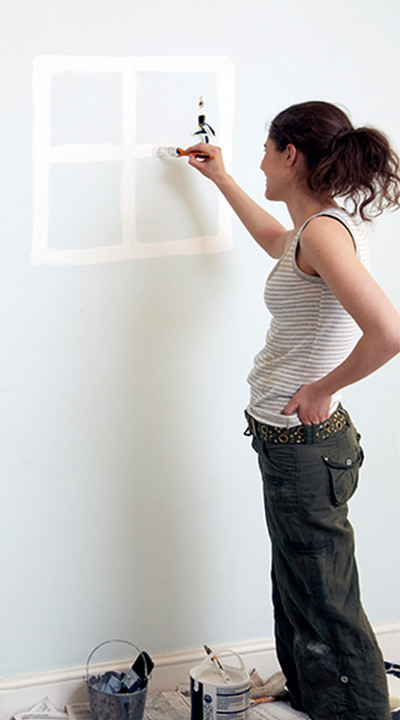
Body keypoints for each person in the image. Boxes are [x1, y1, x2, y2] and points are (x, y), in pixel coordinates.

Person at [185, 101, 400, 720]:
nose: (257, 161)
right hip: (288, 446)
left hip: (305, 448)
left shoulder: (326, 233)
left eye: (264, 148)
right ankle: (316, 701)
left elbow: (387, 331)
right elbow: (275, 239)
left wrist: (323, 386)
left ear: (290, 155)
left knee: (327, 599)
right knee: (299, 589)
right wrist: (221, 179)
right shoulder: (309, 233)